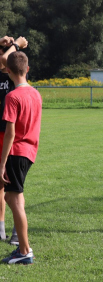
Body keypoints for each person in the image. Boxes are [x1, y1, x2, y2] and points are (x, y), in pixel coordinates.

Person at [0, 51, 42, 264]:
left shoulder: (12, 96)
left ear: (7, 71)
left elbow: (10, 133)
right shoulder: (36, 93)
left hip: (16, 153)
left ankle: (24, 251)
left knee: (14, 200)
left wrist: (2, 163)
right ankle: (23, 247)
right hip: (29, 152)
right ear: (27, 69)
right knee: (13, 197)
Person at [0, 36, 28, 245]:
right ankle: (0, 227)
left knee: (14, 187)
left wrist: (14, 45)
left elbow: (8, 60)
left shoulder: (13, 75)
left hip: (10, 136)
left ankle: (18, 234)